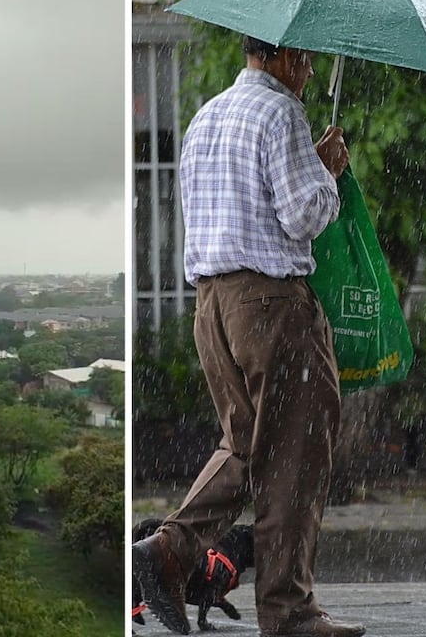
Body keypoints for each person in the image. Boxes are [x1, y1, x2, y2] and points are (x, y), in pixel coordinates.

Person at [131, 35, 365, 637]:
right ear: (284, 57)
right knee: (296, 455)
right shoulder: (282, 110)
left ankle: (168, 550)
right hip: (272, 305)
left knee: (244, 445)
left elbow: (239, 206)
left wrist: (305, 165)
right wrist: (327, 170)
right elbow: (302, 216)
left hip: (213, 305)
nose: (309, 74)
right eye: (307, 60)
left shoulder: (207, 115)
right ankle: (289, 613)